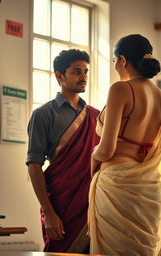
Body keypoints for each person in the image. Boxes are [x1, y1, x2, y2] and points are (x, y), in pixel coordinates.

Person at [88, 34, 161, 256]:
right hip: (148, 186)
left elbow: (106, 150)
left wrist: (94, 153)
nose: (115, 66)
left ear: (123, 60)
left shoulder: (120, 89)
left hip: (116, 184)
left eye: (114, 60)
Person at [26, 49, 100, 253]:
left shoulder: (97, 116)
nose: (84, 77)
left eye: (85, 72)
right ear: (60, 76)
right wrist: (49, 213)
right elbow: (34, 164)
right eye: (77, 72)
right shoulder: (43, 114)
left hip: (92, 204)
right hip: (60, 203)